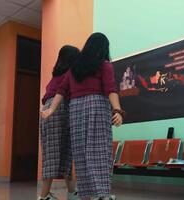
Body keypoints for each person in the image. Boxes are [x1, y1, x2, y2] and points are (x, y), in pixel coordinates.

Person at [41, 33, 124, 200]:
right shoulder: (104, 65)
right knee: (100, 150)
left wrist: (51, 109)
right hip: (97, 107)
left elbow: (62, 90)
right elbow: (110, 88)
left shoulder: (74, 69)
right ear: (103, 48)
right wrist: (117, 110)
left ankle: (87, 194)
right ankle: (101, 195)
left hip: (75, 110)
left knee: (81, 153)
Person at [39, 45, 80, 200]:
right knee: (64, 153)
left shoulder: (55, 76)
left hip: (47, 110)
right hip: (60, 109)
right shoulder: (70, 74)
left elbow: (47, 97)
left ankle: (68, 192)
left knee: (53, 153)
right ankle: (45, 196)